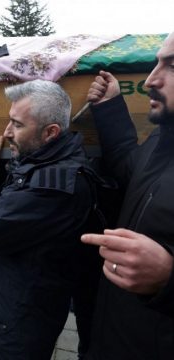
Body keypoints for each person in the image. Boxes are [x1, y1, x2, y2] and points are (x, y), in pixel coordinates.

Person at [0, 80, 95, 360]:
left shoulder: (55, 184)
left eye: (17, 124)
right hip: (3, 317)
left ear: (50, 132)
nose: (7, 131)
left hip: (13, 335)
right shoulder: (39, 162)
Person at [81, 32, 174, 360]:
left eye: (172, 66)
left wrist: (168, 276)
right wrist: (109, 106)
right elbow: (127, 166)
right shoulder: (162, 141)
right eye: (155, 64)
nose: (150, 80)